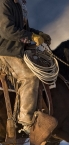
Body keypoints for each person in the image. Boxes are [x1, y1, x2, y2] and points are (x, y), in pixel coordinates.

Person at [0, 0, 51, 134]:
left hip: (17, 50)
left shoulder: (17, 5)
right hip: (6, 51)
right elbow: (7, 30)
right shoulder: (4, 3)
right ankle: (26, 120)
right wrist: (31, 37)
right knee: (30, 76)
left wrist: (38, 34)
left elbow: (22, 29)